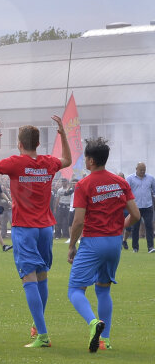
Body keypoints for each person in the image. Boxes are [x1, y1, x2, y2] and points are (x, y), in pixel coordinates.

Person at [0, 117, 71, 348]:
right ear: (38, 144)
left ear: (19, 144)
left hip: (25, 228)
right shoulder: (48, 162)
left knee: (29, 278)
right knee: (42, 276)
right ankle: (38, 326)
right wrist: (63, 135)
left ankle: (43, 336)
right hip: (46, 228)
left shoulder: (15, 163)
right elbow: (67, 160)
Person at [67, 138, 141, 352]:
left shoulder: (84, 184)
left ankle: (93, 323)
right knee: (103, 289)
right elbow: (136, 215)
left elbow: (78, 221)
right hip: (114, 242)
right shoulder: (121, 182)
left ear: (90, 160)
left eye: (86, 158)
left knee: (75, 289)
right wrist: (119, 228)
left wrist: (71, 245)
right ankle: (105, 340)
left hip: (93, 241)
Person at [125, 162, 153, 253]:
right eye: (141, 170)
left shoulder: (151, 178)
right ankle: (135, 248)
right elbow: (126, 191)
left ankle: (150, 247)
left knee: (149, 226)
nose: (142, 172)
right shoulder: (130, 179)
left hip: (148, 206)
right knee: (135, 227)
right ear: (136, 169)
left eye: (144, 170)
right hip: (135, 207)